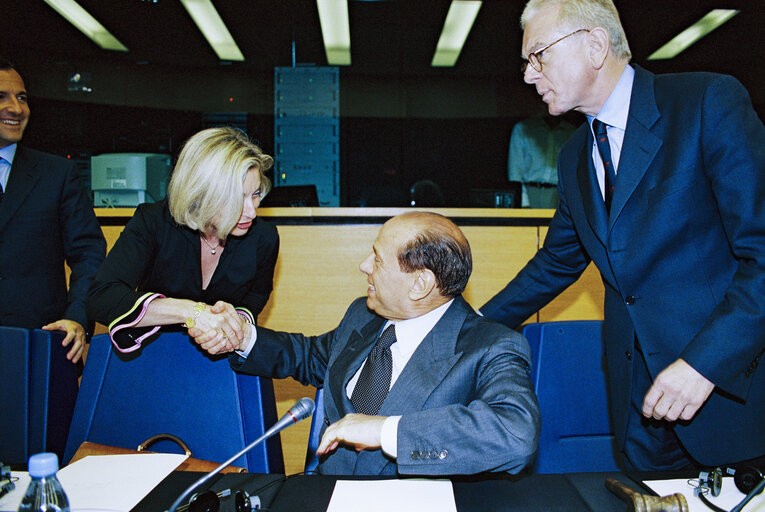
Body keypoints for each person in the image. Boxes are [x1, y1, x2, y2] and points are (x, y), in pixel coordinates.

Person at [481, 0, 765, 472]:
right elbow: (556, 263)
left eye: (539, 56)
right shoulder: (574, 155)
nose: (530, 75)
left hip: (726, 393)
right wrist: (467, 326)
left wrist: (702, 366)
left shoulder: (706, 103)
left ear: (594, 45)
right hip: (639, 410)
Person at [195, 212, 540, 476]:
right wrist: (243, 335)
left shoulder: (492, 347)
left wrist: (386, 431)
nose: (363, 266)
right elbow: (311, 357)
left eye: (376, 259)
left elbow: (514, 434)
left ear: (420, 284)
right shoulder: (363, 315)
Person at [87, 127, 279, 353]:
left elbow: (254, 299)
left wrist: (232, 325)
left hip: (223, 365)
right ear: (200, 193)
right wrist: (192, 312)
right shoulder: (154, 222)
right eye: (237, 198)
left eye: (255, 194)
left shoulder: (262, 237)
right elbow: (100, 299)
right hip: (153, 358)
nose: (251, 212)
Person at [0, 57, 106, 364]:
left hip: (42, 345)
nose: (16, 109)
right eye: (2, 97)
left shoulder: (56, 174)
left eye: (22, 98)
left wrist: (77, 317)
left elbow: (89, 254)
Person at [507, 112, 576, 208]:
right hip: (530, 191)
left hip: (558, 194)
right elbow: (515, 170)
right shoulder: (524, 128)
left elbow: (573, 170)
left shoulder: (571, 132)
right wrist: (523, 201)